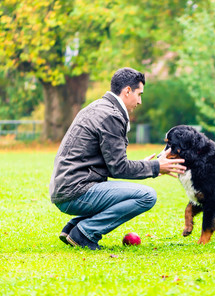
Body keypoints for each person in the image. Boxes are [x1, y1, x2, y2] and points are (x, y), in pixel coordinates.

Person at [49, 67, 185, 250]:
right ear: (127, 91)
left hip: (65, 189)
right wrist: (154, 167)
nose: (140, 101)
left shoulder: (98, 107)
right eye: (139, 94)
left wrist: (146, 166)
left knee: (134, 193)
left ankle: (73, 228)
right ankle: (84, 233)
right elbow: (119, 168)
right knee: (147, 196)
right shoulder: (111, 115)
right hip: (75, 191)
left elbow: (110, 162)